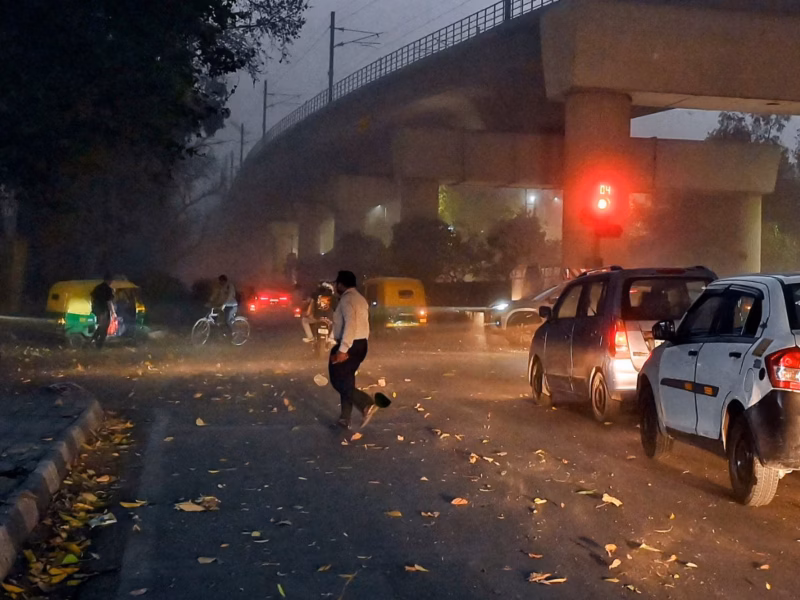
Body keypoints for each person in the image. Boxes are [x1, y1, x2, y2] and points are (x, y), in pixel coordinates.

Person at [329, 270, 378, 429]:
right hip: (361, 344)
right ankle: (345, 418)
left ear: (342, 284)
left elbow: (350, 324)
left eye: (337, 283)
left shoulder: (346, 299)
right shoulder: (360, 299)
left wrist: (342, 350)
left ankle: (365, 403)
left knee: (337, 379)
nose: (335, 286)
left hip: (350, 343)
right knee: (346, 379)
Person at [90, 273, 115, 350]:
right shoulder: (108, 289)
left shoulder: (97, 288)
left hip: (97, 311)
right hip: (104, 311)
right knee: (104, 329)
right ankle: (99, 346)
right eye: (111, 280)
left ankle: (91, 340)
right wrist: (113, 312)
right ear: (109, 280)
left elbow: (92, 297)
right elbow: (109, 302)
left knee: (101, 326)